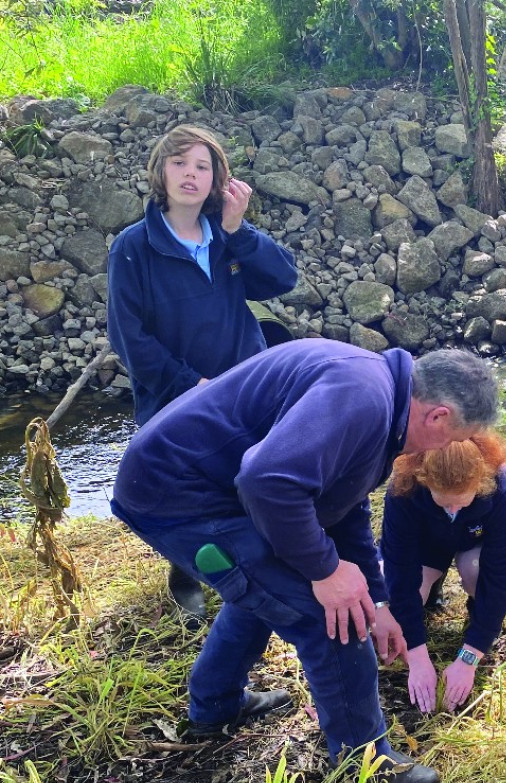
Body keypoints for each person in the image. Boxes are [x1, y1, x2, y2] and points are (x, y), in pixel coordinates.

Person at [111, 339, 499, 783]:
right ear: (438, 416)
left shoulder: (383, 399)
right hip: (178, 497)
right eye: (452, 440)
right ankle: (366, 764)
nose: (442, 452)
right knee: (329, 615)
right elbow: (266, 481)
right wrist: (326, 572)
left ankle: (215, 707)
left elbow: (342, 507)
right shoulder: (362, 396)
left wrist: (378, 598)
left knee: (269, 591)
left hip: (217, 489)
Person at [107, 124, 298, 624]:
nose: (189, 175)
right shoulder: (133, 247)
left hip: (245, 385)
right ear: (160, 171)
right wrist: (190, 386)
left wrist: (239, 229)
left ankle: (254, 567)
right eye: (179, 163)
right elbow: (130, 340)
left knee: (248, 475)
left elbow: (282, 279)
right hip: (178, 392)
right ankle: (184, 569)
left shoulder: (225, 234)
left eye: (202, 166)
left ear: (218, 179)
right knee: (185, 484)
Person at [381, 432, 506, 713]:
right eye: (444, 502)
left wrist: (470, 655)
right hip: (428, 542)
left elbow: (502, 576)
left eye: (461, 501)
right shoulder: (403, 487)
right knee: (393, 593)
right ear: (425, 481)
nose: (453, 508)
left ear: (481, 483)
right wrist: (416, 653)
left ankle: (477, 617)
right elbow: (398, 568)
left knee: (477, 572)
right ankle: (429, 595)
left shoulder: (500, 487)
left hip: (476, 539)